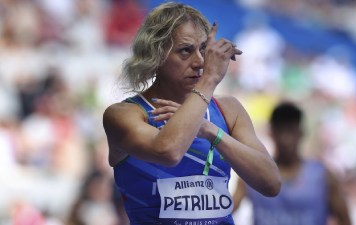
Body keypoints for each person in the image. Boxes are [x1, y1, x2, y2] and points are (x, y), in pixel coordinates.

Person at [102, 2, 281, 224]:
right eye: (186, 50)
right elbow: (168, 152)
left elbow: (271, 183)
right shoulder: (124, 114)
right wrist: (208, 81)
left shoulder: (228, 109)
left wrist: (210, 131)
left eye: (204, 50)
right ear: (155, 54)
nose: (199, 62)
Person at [233, 101, 352, 225]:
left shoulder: (323, 178)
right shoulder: (253, 174)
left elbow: (345, 219)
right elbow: (227, 210)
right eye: (281, 131)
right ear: (272, 133)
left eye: (291, 131)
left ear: (301, 133)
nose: (286, 139)